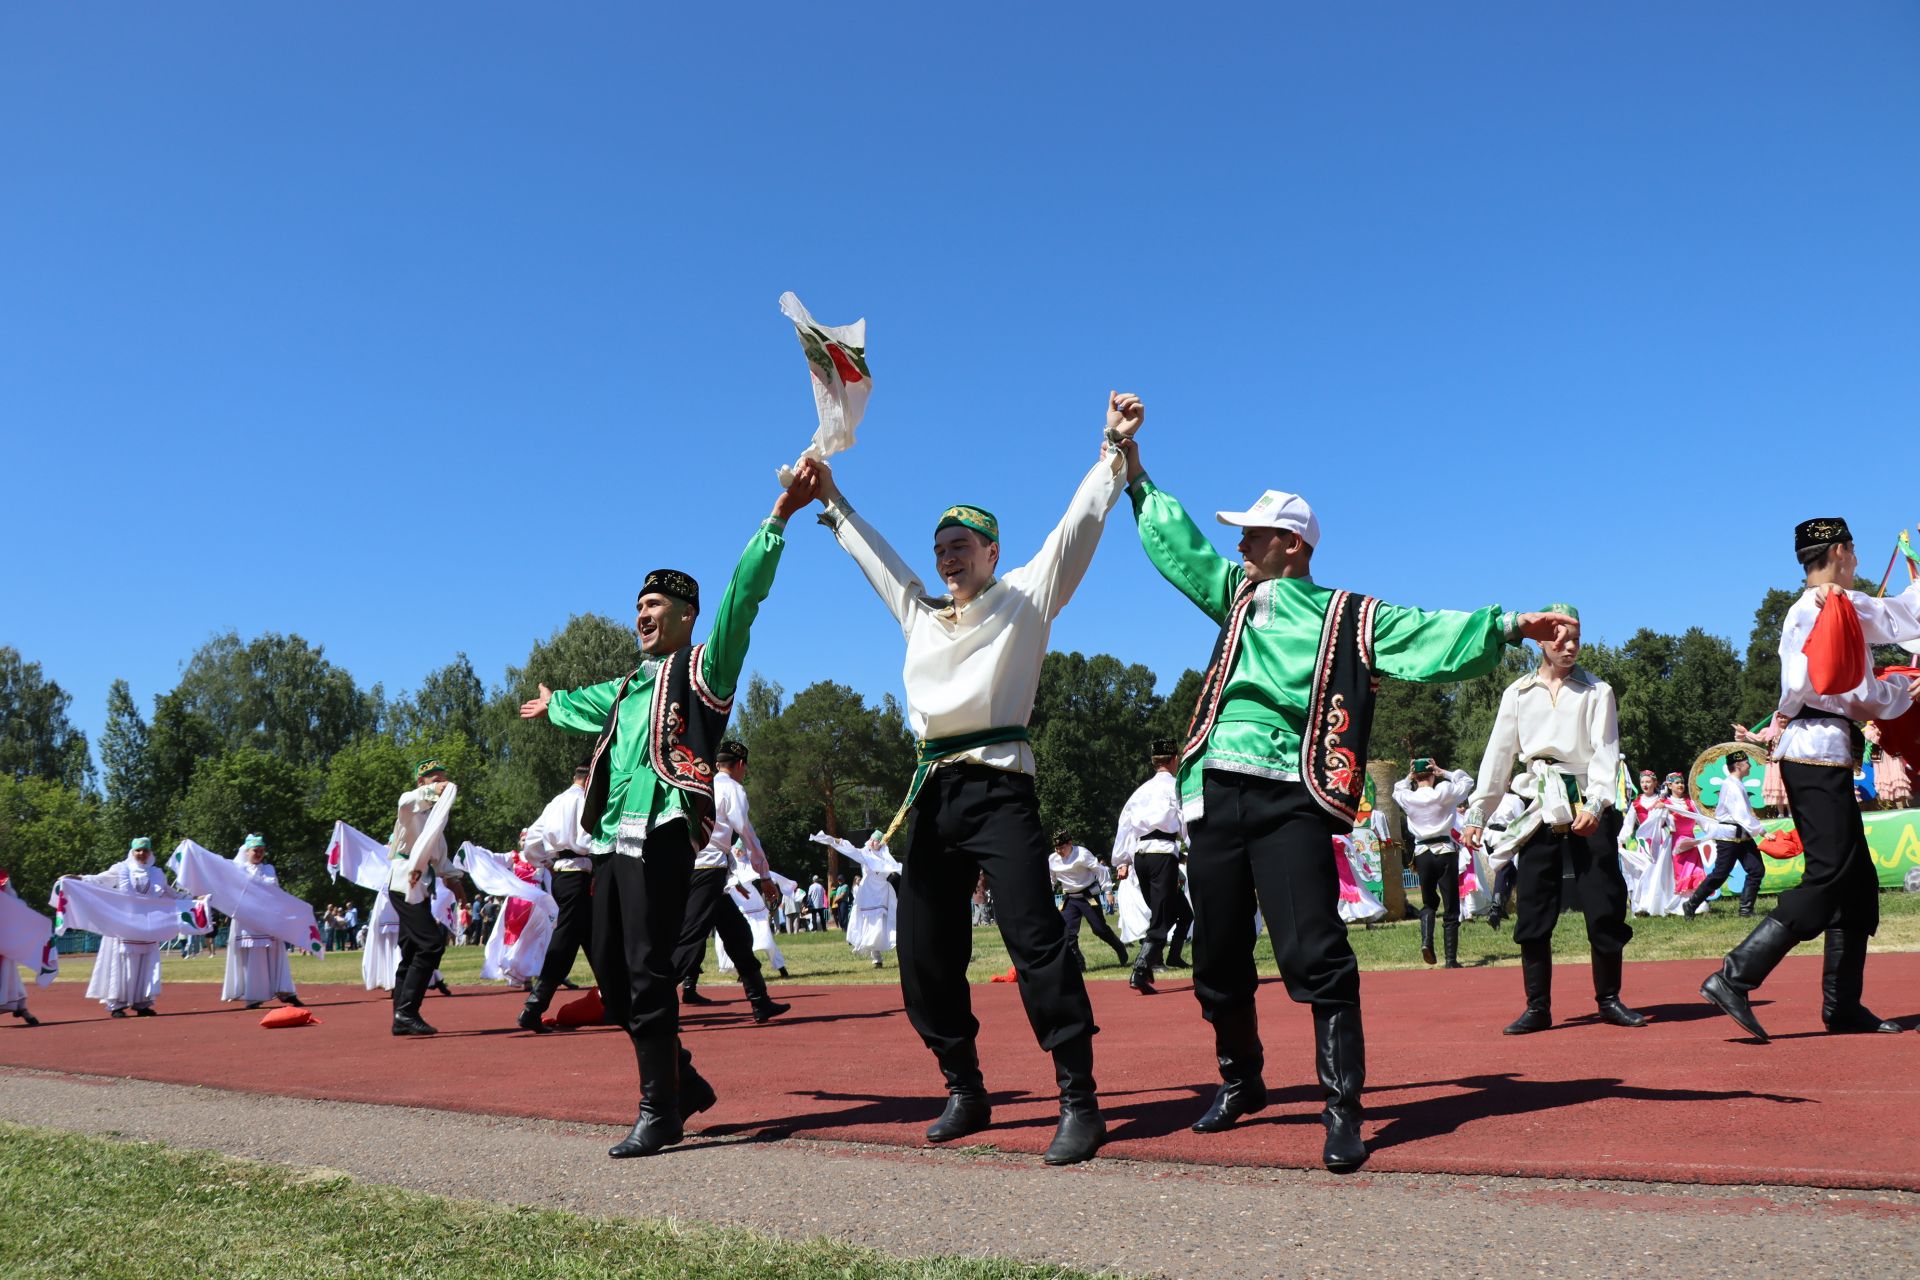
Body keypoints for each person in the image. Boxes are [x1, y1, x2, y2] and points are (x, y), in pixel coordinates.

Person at [1123, 433, 1573, 1172]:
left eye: (1254, 534)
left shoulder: (1346, 616)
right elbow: (1183, 549)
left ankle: (1343, 1108)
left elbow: (1428, 635)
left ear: (1292, 545)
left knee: (1314, 952)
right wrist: (1136, 473)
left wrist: (1509, 624)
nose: (1238, 543)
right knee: (1217, 958)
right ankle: (1242, 1081)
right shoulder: (1237, 597)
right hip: (1210, 794)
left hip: (1292, 793)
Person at [805, 391, 1144, 1167]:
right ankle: (964, 1086)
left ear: (993, 552)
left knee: (1034, 940)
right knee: (924, 953)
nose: (947, 557)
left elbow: (1077, 528)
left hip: (999, 789)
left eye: (962, 545)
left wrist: (1111, 452)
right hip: (932, 794)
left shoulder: (1025, 599)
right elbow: (877, 559)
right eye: (941, 549)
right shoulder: (921, 614)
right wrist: (830, 498)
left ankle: (1078, 1100)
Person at [518, 466, 814, 1158]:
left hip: (665, 838)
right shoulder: (624, 688)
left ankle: (661, 1109)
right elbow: (578, 702)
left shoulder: (703, 671)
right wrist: (553, 703)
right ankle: (682, 1079)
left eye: (655, 605)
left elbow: (741, 601)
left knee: (649, 972)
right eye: (638, 605)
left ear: (684, 616)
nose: (641, 615)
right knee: (616, 985)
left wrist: (777, 520)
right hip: (612, 849)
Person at [1702, 518, 1917, 1040]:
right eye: (1854, 551)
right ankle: (1735, 975)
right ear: (1842, 551)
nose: (1858, 560)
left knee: (1859, 885)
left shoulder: (1828, 603)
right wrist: (1902, 696)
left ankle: (1842, 1006)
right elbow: (1844, 689)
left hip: (1824, 751)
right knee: (1828, 876)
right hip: (1814, 753)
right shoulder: (1823, 606)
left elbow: (1893, 617)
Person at [1463, 605, 1645, 1037]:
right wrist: (1478, 812)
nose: (1569, 646)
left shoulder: (1597, 690)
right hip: (1538, 804)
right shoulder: (1518, 693)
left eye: (1576, 639)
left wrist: (1596, 804)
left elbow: (1606, 751)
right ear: (1540, 640)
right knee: (1533, 907)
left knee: (1603, 902)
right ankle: (1537, 1006)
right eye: (1559, 637)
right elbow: (1499, 756)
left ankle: (1609, 999)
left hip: (1586, 799)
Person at [674, 740, 790, 1020]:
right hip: (707, 871)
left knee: (737, 935)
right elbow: (747, 835)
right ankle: (655, 1007)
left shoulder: (697, 784)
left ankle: (760, 1000)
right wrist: (764, 876)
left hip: (698, 869)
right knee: (690, 939)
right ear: (740, 765)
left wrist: (731, 878)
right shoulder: (732, 789)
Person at [386, 760, 468, 1036]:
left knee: (411, 949)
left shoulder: (435, 822)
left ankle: (401, 1013)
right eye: (434, 779)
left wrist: (455, 880)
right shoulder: (410, 808)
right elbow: (406, 801)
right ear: (422, 782)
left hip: (416, 885)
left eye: (444, 779)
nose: (441, 784)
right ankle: (407, 1012)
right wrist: (436, 790)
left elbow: (441, 859)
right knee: (431, 945)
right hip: (403, 882)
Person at [517, 766, 596, 1032]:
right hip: (582, 874)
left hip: (562, 875)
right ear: (590, 778)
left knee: (596, 941)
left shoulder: (556, 802)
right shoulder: (588, 799)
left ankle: (623, 1003)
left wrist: (548, 863)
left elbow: (531, 843)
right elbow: (597, 839)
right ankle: (534, 1006)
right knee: (566, 942)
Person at [84, 838, 186, 1017]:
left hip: (147, 926)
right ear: (132, 852)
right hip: (125, 925)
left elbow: (169, 893)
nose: (141, 854)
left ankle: (141, 1003)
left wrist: (192, 901)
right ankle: (117, 1005)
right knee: (122, 963)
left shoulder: (156, 873)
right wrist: (77, 879)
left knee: (146, 964)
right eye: (138, 850)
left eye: (145, 850)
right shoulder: (122, 868)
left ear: (150, 852)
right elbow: (100, 879)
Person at [1392, 759, 1474, 969]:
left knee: (1429, 903)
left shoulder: (1408, 797)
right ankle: (1451, 960)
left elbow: (1396, 790)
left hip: (1422, 853)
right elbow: (1467, 781)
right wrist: (1443, 771)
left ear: (1415, 777)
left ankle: (1426, 942)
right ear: (1432, 775)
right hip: (1445, 850)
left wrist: (1408, 777)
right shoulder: (1443, 791)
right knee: (1451, 904)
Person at [220, 835, 304, 1010]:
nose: (258, 853)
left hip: (268, 918)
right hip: (249, 920)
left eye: (261, 850)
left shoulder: (269, 869)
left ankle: (285, 991)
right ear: (247, 851)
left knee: (275, 953)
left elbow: (276, 891)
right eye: (255, 850)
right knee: (254, 955)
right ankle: (253, 996)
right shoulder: (239, 869)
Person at [1685, 752, 1767, 918]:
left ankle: (1746, 910)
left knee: (1756, 870)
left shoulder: (1737, 784)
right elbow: (1741, 814)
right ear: (1738, 766)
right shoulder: (1732, 786)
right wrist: (1763, 831)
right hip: (1728, 837)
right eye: (1747, 763)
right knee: (1720, 874)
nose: (1750, 766)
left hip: (1742, 837)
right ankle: (1691, 904)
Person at [814, 830, 901, 968]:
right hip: (867, 893)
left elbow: (896, 868)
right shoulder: (864, 853)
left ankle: (899, 952)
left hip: (882, 893)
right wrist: (831, 839)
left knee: (886, 922)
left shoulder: (886, 856)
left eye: (876, 841)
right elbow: (848, 848)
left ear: (881, 843)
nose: (873, 842)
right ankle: (876, 958)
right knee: (869, 923)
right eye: (872, 840)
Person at [1049, 830, 1129, 972]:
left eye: (1062, 847)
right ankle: (1079, 965)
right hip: (1070, 899)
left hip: (1088, 896)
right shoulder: (1052, 859)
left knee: (1099, 929)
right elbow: (1051, 879)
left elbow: (1101, 871)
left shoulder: (1082, 853)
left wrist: (1108, 891)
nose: (1059, 851)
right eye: (1056, 848)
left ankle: (1119, 947)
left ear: (1070, 843)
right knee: (1067, 933)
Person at [0, 868, 43, 1026]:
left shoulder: (3, 879)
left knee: (9, 971)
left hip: (3, 933)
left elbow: (14, 902)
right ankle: (21, 1006)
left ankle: (21, 1006)